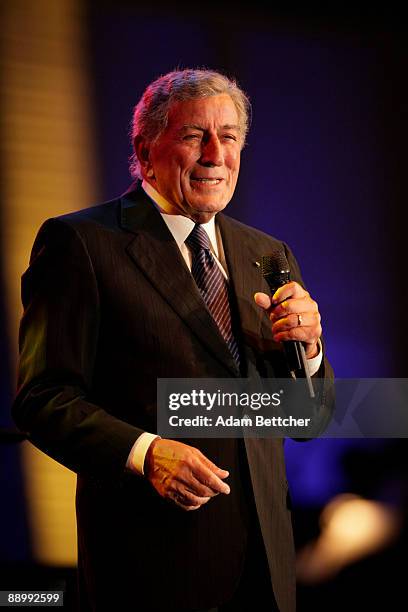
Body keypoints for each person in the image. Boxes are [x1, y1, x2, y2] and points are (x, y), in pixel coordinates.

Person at [13, 69, 333, 612]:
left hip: (267, 570)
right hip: (150, 567)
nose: (215, 153)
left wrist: (310, 353)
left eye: (229, 137)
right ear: (145, 148)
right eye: (193, 135)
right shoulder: (83, 243)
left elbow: (310, 420)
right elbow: (43, 399)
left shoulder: (268, 254)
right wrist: (146, 451)